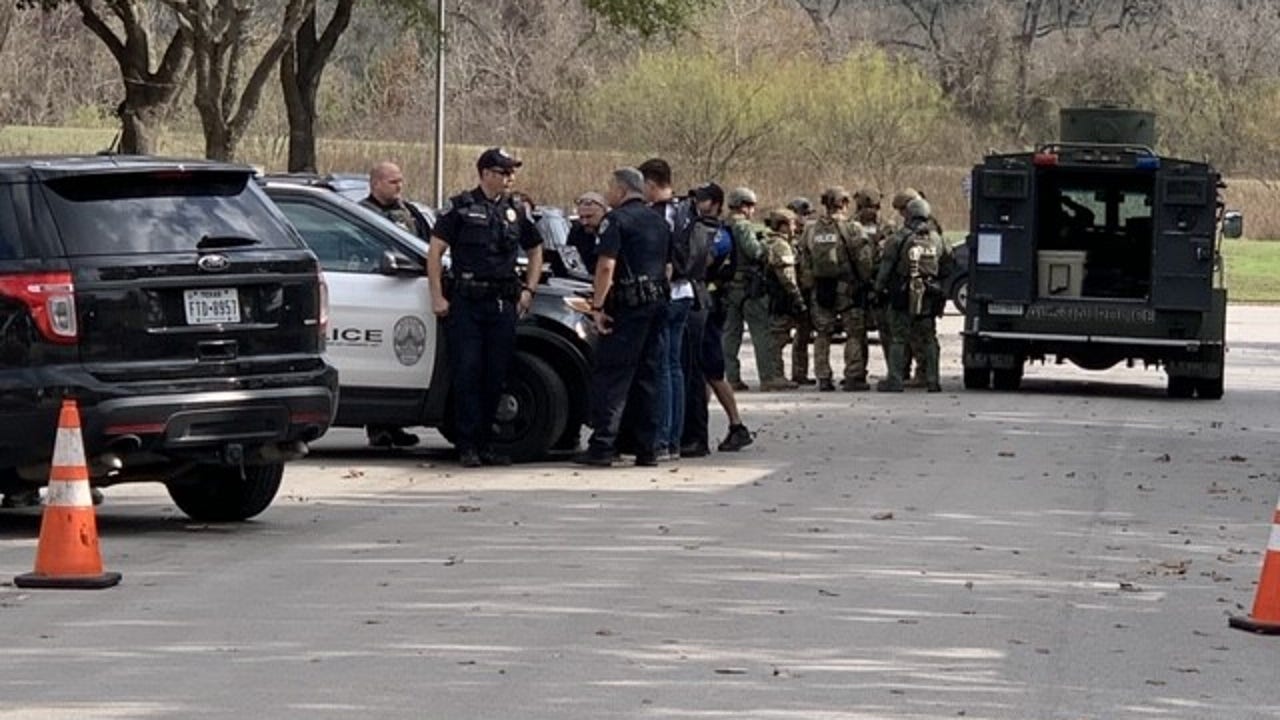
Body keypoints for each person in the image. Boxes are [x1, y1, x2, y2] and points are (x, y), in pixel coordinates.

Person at [428, 147, 544, 467]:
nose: (510, 178)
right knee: (467, 373)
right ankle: (466, 445)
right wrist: (437, 296)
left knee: (496, 375)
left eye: (512, 173)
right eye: (504, 172)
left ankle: (486, 442)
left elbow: (536, 249)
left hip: (501, 304)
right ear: (486, 174)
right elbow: (435, 252)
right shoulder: (461, 208)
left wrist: (528, 291)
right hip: (467, 303)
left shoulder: (516, 211)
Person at [574, 168, 672, 467]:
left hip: (628, 307)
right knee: (649, 376)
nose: (609, 193)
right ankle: (647, 449)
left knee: (613, 376)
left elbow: (606, 267)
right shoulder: (659, 221)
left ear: (621, 188)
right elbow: (668, 267)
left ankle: (603, 446)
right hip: (657, 303)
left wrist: (599, 307)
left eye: (611, 187)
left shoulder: (615, 220)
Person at [360, 161, 434, 448]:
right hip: (378, 290)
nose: (399, 186)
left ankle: (394, 426)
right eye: (393, 182)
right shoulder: (364, 213)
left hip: (407, 290)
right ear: (376, 183)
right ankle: (378, 428)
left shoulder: (409, 212)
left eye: (401, 181)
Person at [680, 183, 751, 456]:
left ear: (716, 203)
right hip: (703, 303)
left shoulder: (719, 234)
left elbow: (701, 263)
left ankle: (736, 425)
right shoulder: (701, 228)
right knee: (702, 369)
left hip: (711, 305)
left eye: (703, 200)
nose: (698, 204)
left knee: (711, 368)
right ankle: (705, 427)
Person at [639, 158, 694, 460]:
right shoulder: (687, 210)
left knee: (661, 368)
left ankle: (660, 438)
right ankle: (674, 439)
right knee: (675, 368)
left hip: (666, 294)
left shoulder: (659, 214)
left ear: (650, 183)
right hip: (686, 292)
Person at [875, 196, 950, 393]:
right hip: (928, 294)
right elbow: (947, 267)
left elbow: (886, 268)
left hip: (903, 293)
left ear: (908, 214)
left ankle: (895, 380)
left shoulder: (898, 238)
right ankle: (933, 380)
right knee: (929, 338)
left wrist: (877, 290)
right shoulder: (938, 239)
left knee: (898, 338)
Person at [801, 186, 873, 392]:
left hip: (821, 288)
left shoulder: (810, 229)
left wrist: (809, 287)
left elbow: (804, 260)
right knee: (854, 333)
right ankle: (853, 376)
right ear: (844, 204)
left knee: (822, 334)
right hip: (848, 288)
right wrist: (865, 281)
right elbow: (864, 259)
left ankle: (823, 378)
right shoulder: (853, 228)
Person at [721, 187, 789, 391]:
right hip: (750, 288)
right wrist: (768, 247)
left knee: (731, 334)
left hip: (729, 286)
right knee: (762, 333)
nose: (753, 210)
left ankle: (731, 378)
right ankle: (768, 378)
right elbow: (755, 252)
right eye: (751, 205)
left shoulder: (723, 225)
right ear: (743, 205)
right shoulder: (743, 227)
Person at [763, 208, 808, 387]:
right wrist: (797, 298)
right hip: (781, 297)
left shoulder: (773, 242)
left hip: (778, 296)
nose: (795, 228)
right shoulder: (780, 245)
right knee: (778, 338)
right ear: (782, 225)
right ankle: (775, 376)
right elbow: (787, 277)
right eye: (792, 224)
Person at [786, 197, 817, 385]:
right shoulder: (785, 235)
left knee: (804, 333)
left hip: (807, 287)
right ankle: (775, 373)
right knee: (780, 335)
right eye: (802, 214)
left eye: (806, 215)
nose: (804, 219)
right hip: (790, 289)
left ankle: (800, 373)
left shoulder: (811, 234)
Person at [566, 191, 608, 277]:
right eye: (581, 217)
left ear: (603, 213)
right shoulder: (577, 231)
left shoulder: (612, 231)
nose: (584, 222)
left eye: (589, 217)